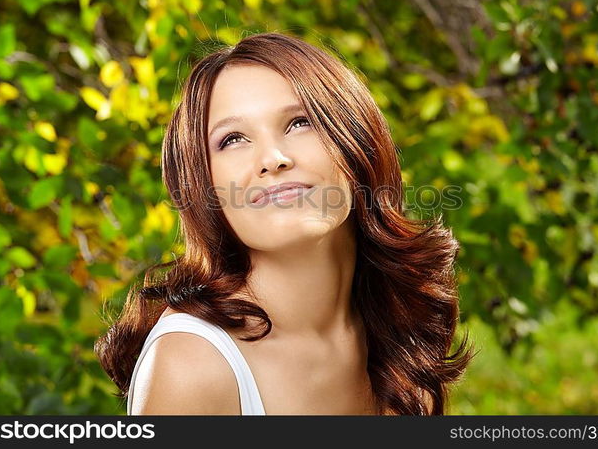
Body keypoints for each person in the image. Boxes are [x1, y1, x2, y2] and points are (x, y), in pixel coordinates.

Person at [94, 31, 472, 415]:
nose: (273, 158)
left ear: (356, 142)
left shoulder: (399, 331)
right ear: (202, 183)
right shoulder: (192, 364)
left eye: (299, 123)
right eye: (233, 139)